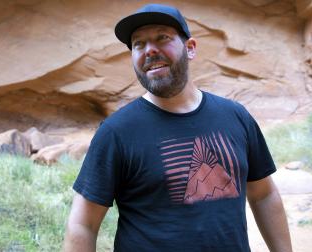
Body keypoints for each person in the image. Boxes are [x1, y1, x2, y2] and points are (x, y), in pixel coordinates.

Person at [63, 3, 292, 252]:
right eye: (138, 44)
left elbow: (263, 194)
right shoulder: (117, 132)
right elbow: (82, 224)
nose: (150, 50)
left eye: (162, 37)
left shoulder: (235, 116)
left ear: (190, 48)